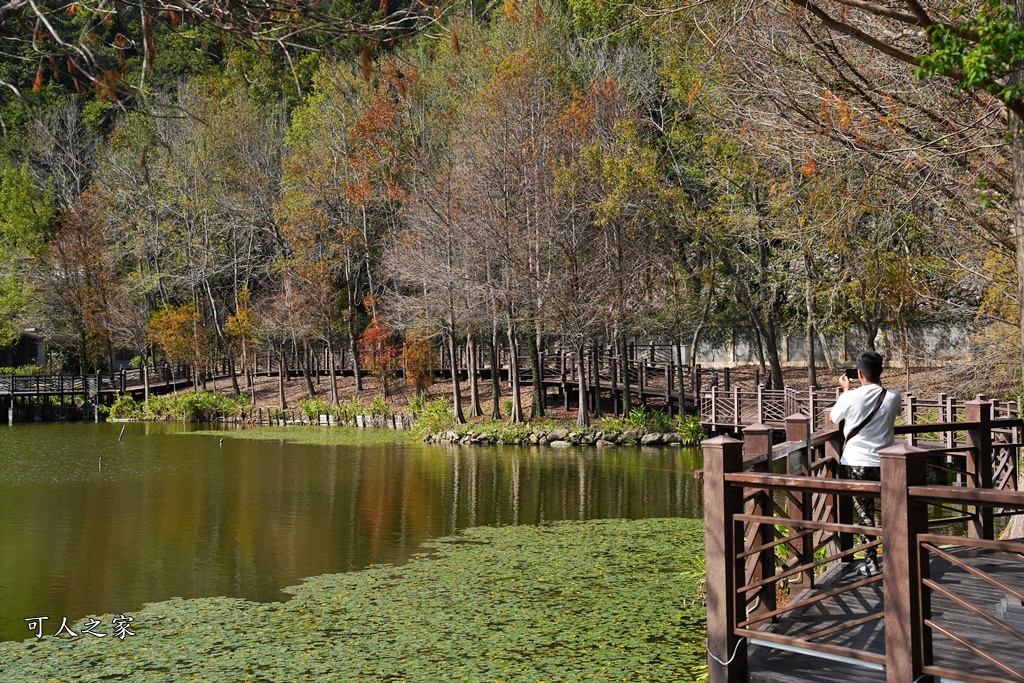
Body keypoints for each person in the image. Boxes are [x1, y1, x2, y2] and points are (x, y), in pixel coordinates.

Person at [828, 351, 901, 577]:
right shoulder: (893, 396)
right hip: (887, 463)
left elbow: (833, 418)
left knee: (865, 513)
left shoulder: (849, 397)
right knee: (892, 511)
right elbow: (893, 414)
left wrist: (846, 392)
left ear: (858, 373)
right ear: (881, 372)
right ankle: (897, 559)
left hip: (856, 463)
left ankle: (871, 562)